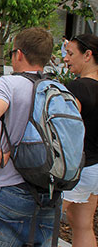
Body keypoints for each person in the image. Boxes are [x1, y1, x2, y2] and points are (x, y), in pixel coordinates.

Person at [0, 27, 59, 246]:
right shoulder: (58, 88)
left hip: (10, 187)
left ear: (19, 54)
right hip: (50, 193)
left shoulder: (7, 84)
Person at [61, 34, 98, 246]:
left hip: (76, 168)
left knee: (42, 221)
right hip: (94, 168)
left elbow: (65, 127)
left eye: (70, 53)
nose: (66, 58)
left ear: (88, 55)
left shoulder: (78, 88)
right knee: (83, 224)